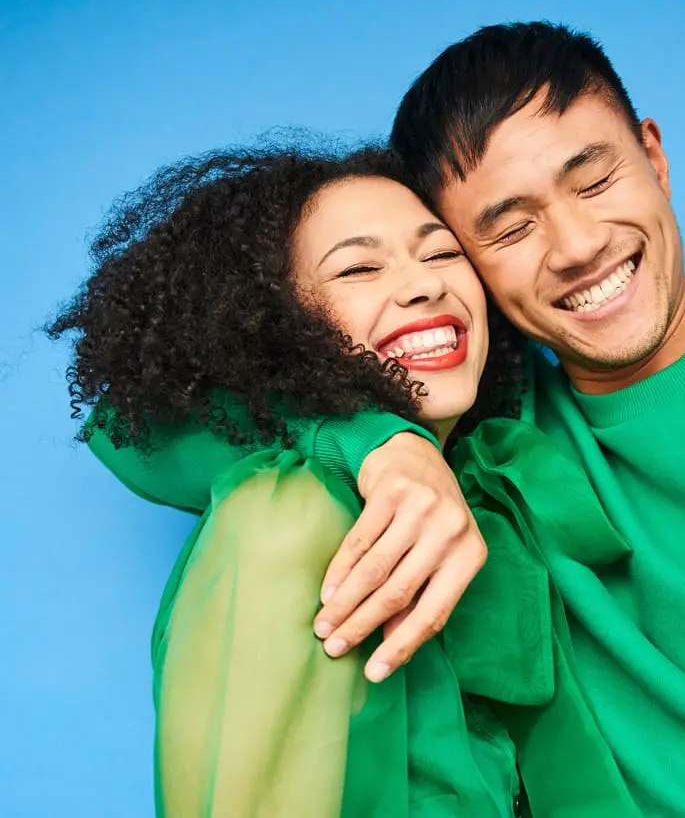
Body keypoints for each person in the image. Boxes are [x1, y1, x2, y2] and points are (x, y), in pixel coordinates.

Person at [305, 22, 685, 816]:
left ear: (654, 158)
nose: (578, 244)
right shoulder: (484, 435)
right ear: (464, 264)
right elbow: (133, 431)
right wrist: (386, 449)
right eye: (510, 227)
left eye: (594, 182)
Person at [49, 142, 642, 816]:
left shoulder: (503, 478)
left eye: (443, 253)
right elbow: (127, 433)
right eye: (359, 267)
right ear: (276, 325)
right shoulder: (288, 514)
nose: (424, 284)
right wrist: (371, 442)